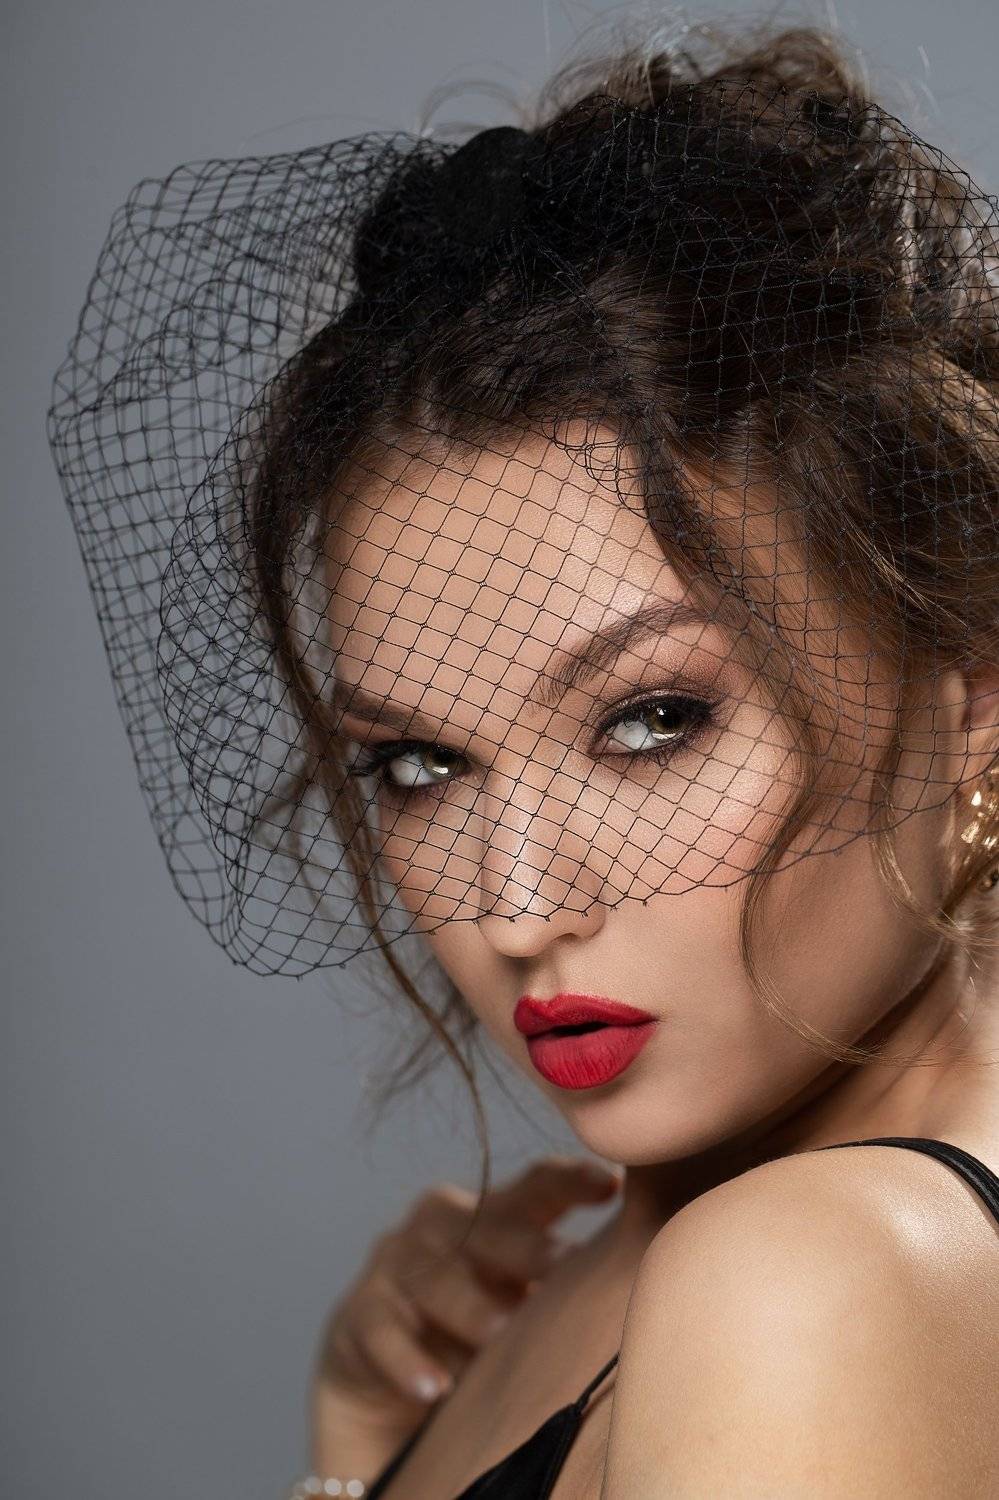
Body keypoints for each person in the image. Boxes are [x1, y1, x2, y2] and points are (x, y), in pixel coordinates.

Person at [48, 15, 999, 1498]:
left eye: (653, 720)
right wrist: (370, 1447)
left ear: (972, 690)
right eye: (421, 764)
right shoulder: (632, 1277)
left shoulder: (805, 1282)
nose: (516, 908)